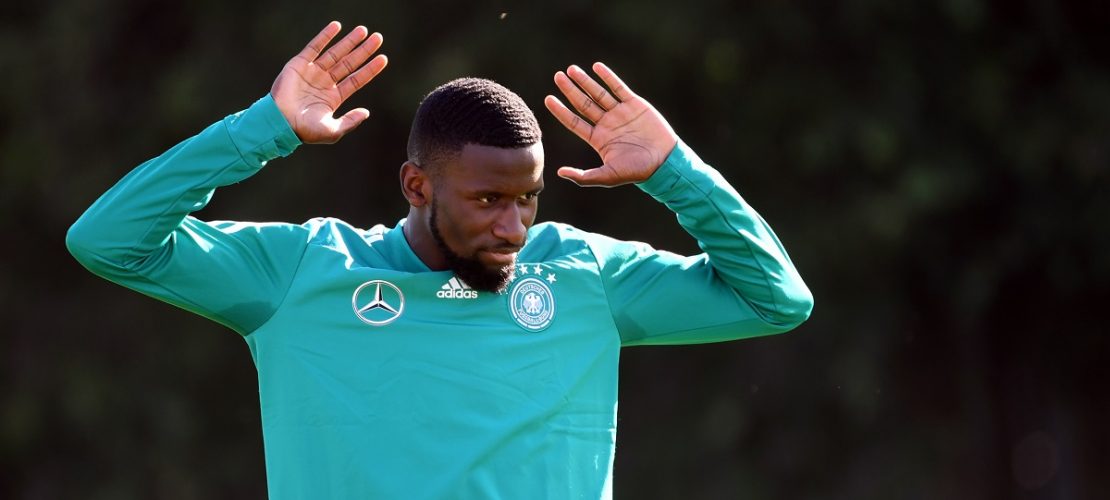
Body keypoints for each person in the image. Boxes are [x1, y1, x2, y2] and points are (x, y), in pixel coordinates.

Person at [67, 21, 813, 499]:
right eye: (488, 200)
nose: (513, 226)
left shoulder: (585, 275)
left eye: (528, 199)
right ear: (416, 186)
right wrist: (263, 128)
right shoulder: (304, 272)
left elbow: (776, 300)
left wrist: (675, 171)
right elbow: (108, 240)